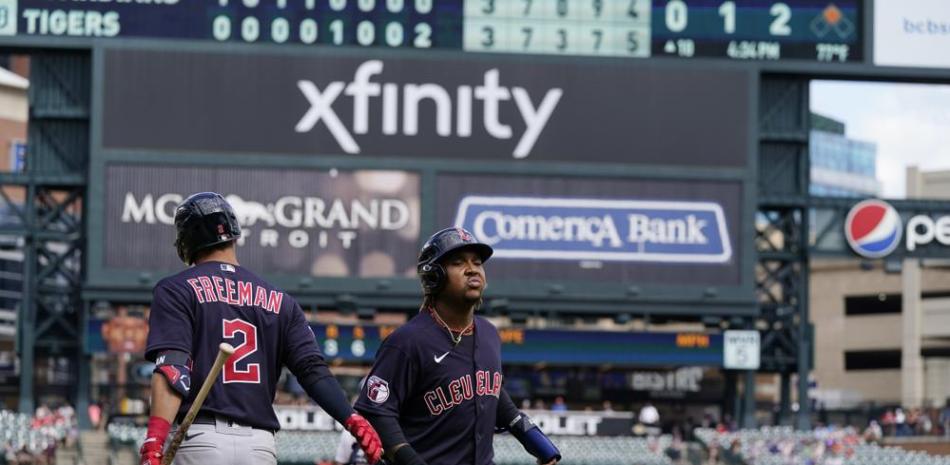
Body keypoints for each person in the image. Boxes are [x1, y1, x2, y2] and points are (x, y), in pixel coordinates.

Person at [140, 193, 382, 465]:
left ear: (186, 239)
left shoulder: (176, 289)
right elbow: (313, 371)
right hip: (259, 447)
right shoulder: (281, 300)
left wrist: (154, 440)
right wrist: (351, 418)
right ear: (234, 234)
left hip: (200, 438)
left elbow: (173, 370)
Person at [354, 227, 561, 465]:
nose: (472, 269)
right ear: (435, 275)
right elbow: (376, 411)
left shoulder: (489, 334)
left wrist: (537, 442)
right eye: (458, 262)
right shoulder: (407, 341)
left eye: (477, 262)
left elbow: (490, 392)